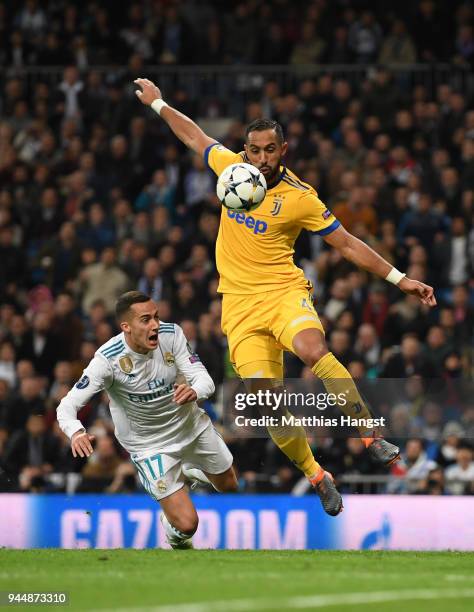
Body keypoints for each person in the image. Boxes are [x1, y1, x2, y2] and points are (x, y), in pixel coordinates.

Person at [134, 78, 437, 516]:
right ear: (245, 150)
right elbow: (194, 135)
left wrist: (399, 277)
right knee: (266, 401)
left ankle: (369, 432)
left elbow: (348, 244)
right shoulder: (231, 170)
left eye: (269, 150)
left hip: (283, 292)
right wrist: (158, 102)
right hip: (239, 306)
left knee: (314, 350)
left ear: (283, 149)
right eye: (254, 150)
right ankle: (317, 475)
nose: (260, 158)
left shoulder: (300, 198)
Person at [57, 291, 237, 549]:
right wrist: (76, 432)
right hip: (149, 445)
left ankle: (187, 470)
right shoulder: (107, 360)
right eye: (145, 320)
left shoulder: (172, 335)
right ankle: (172, 531)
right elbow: (66, 407)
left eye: (156, 317)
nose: (155, 325)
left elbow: (204, 378)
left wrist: (195, 391)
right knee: (188, 524)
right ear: (126, 327)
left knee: (230, 486)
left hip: (191, 427)